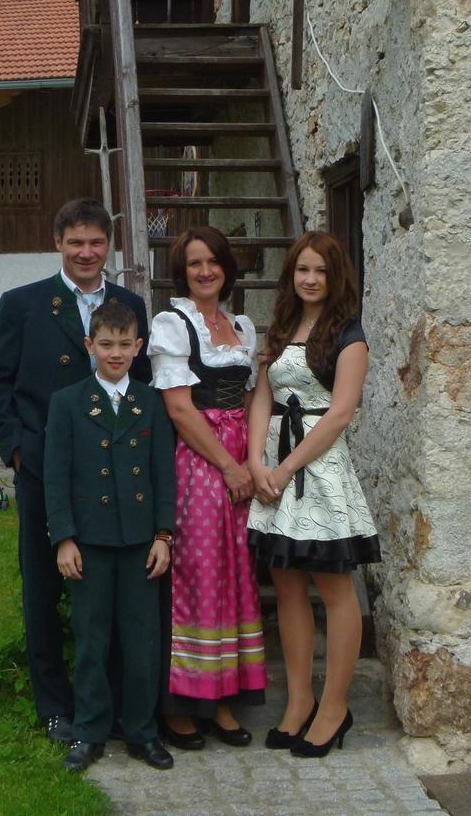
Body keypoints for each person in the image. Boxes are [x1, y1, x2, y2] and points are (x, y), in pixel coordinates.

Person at [0, 198, 151, 743]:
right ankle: (55, 705)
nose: (86, 252)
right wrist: (18, 449)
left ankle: (117, 705)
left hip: (116, 475)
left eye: (96, 242)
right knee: (43, 587)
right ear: (58, 243)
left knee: (115, 589)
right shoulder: (24, 304)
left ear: (109, 245)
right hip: (44, 471)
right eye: (75, 242)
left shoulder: (129, 304)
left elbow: (139, 387)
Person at [246, 231, 381, 759]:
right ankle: (298, 700)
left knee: (334, 587)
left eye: (320, 271)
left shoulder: (349, 334)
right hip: (275, 469)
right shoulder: (279, 328)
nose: (310, 279)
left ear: (335, 277)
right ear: (291, 274)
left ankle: (334, 706)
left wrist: (285, 468)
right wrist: (258, 461)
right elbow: (263, 399)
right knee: (287, 586)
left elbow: (341, 414)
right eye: (302, 269)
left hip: (318, 471)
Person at [45, 300, 177, 772]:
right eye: (106, 344)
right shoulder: (68, 403)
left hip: (141, 543)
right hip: (89, 544)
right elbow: (56, 477)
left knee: (142, 642)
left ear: (139, 347)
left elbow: (164, 476)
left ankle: (143, 732)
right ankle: (89, 732)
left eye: (125, 344)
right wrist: (64, 538)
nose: (115, 353)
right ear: (90, 346)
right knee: (92, 640)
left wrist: (164, 535)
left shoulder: (152, 403)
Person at [147, 226, 265, 750]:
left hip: (240, 457)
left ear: (226, 268)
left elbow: (252, 396)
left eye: (213, 261)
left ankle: (221, 698)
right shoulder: (173, 324)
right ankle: (181, 705)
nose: (204, 271)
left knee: (234, 574)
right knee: (198, 574)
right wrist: (228, 465)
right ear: (182, 272)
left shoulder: (242, 325)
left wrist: (252, 462)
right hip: (201, 461)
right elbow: (178, 408)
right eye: (194, 263)